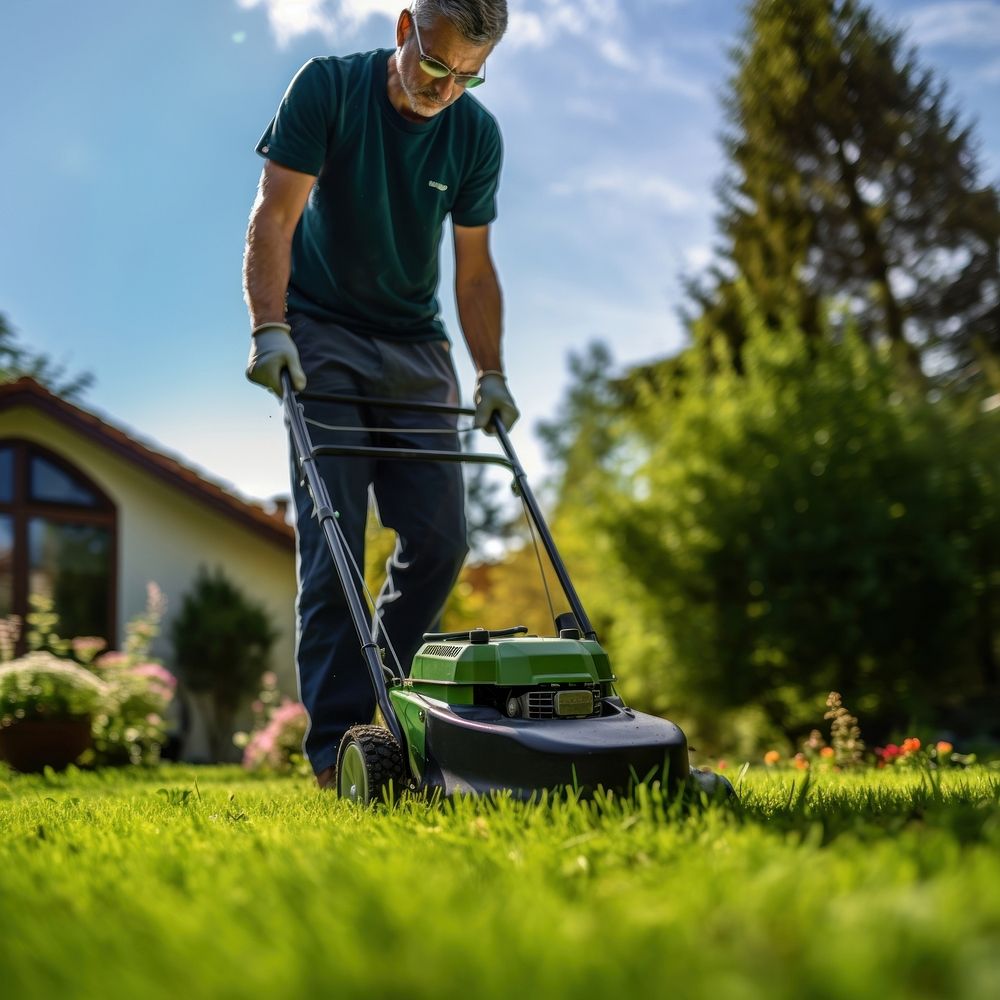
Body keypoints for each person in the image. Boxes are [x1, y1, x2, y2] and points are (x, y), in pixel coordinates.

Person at [242, 0, 518, 789]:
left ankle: (378, 712)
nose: (446, 88)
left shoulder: (475, 134)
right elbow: (276, 214)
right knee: (335, 546)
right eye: (435, 64)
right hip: (323, 334)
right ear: (405, 29)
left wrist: (491, 373)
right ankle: (336, 753)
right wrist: (270, 328)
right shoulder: (327, 89)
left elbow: (473, 271)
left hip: (417, 347)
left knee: (441, 544)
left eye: (468, 75)